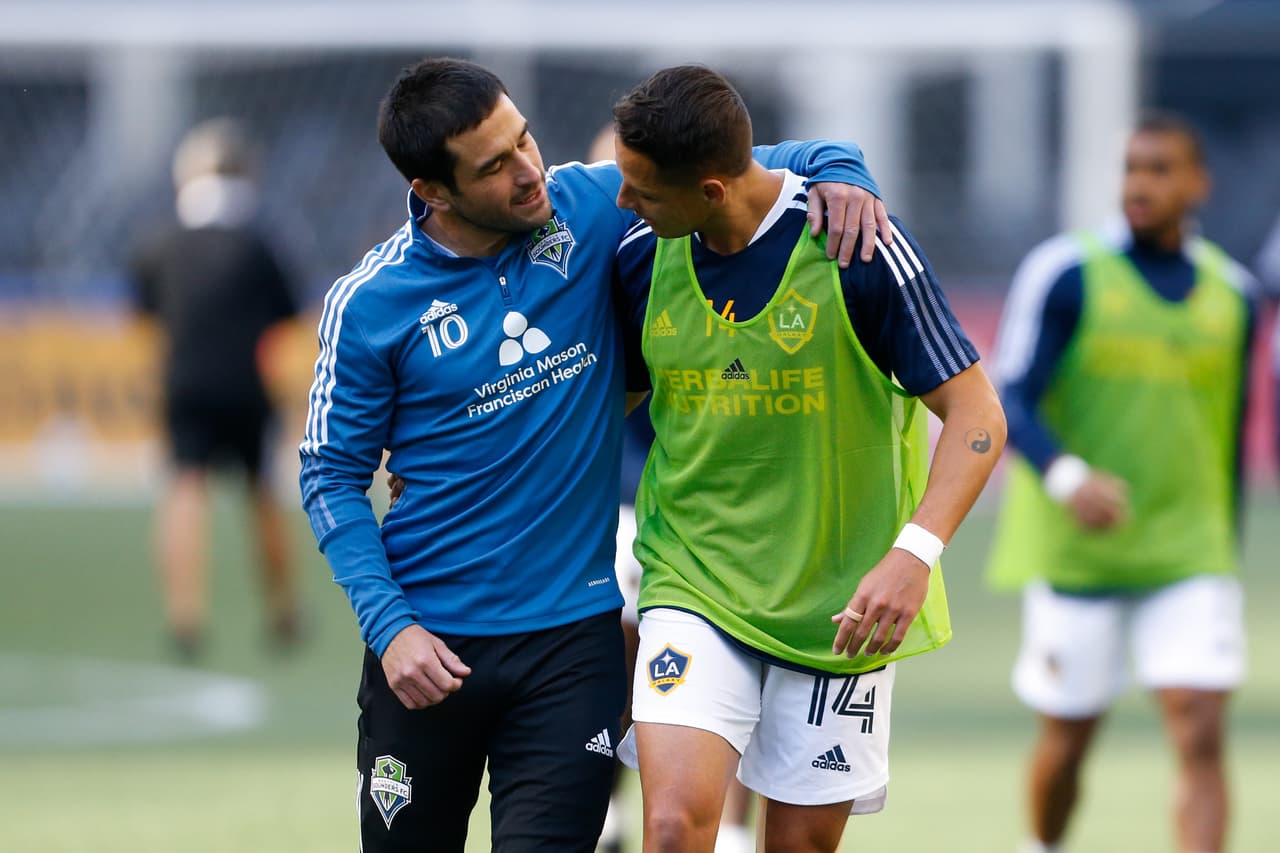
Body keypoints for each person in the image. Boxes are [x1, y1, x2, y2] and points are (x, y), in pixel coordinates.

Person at [299, 57, 891, 853]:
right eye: (494, 165)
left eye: (524, 139)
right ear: (431, 190)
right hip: (426, 646)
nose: (527, 171)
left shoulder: (587, 207)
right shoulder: (370, 303)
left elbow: (739, 159)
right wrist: (390, 626)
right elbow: (329, 474)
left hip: (572, 647)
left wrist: (845, 169)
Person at [606, 66, 1006, 853]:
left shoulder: (860, 249)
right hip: (693, 580)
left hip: (839, 608)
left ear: (711, 190)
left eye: (642, 190)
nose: (622, 202)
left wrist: (913, 554)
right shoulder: (641, 257)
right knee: (673, 826)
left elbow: (977, 415)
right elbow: (605, 406)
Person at [986, 112, 1257, 853]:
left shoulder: (1233, 295)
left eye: (1160, 169)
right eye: (1132, 168)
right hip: (1080, 551)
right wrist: (1066, 476)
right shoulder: (1066, 274)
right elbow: (1011, 398)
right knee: (1069, 737)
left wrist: (1225, 546)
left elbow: (1230, 436)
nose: (1140, 184)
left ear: (1199, 183)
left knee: (1199, 727)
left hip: (1188, 548)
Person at [129, 117, 301, 658]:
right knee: (262, 492)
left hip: (184, 382)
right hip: (247, 383)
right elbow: (286, 313)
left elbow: (146, 312)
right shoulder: (259, 243)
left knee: (184, 488)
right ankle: (283, 611)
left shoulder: (158, 244)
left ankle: (185, 616)